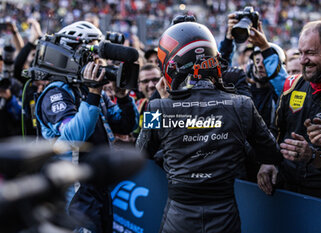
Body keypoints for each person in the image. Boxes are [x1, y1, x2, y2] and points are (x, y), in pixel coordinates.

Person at [136, 21, 282, 233]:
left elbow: (141, 153)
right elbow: (272, 153)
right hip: (225, 215)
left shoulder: (157, 107)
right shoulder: (241, 104)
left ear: (171, 64)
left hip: (179, 216)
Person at [35, 21, 139, 233]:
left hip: (100, 187)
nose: (97, 60)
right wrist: (93, 94)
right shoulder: (57, 93)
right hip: (74, 192)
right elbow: (73, 137)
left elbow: (126, 124)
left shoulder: (90, 91)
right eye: (91, 52)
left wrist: (122, 97)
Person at [257, 19, 321, 200]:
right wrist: (268, 161)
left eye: (310, 53)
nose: (302, 60)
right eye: (300, 53)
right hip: (285, 192)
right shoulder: (292, 85)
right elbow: (276, 130)